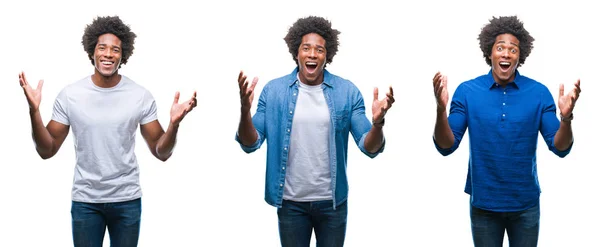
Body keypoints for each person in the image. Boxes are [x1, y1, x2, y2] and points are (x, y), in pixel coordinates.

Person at [18, 16, 197, 247]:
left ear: (123, 56)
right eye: (102, 48)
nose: (108, 54)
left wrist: (174, 124)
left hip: (127, 200)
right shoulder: (71, 95)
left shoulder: (139, 95)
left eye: (115, 49)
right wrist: (34, 112)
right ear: (92, 51)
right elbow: (47, 149)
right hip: (85, 201)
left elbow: (161, 152)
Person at [235, 16, 394, 247]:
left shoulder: (347, 92)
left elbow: (369, 147)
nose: (312, 54)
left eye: (319, 50)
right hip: (290, 203)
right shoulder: (274, 91)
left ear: (327, 56)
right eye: (306, 48)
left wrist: (378, 123)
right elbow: (250, 143)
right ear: (296, 53)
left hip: (332, 204)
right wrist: (244, 110)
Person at [432, 16, 581, 246]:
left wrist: (566, 117)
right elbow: (446, 145)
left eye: (513, 49)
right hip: (484, 205)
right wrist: (441, 110)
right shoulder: (467, 91)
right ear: (489, 52)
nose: (506, 54)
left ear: (519, 57)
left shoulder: (538, 93)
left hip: (526, 206)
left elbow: (560, 147)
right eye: (500, 47)